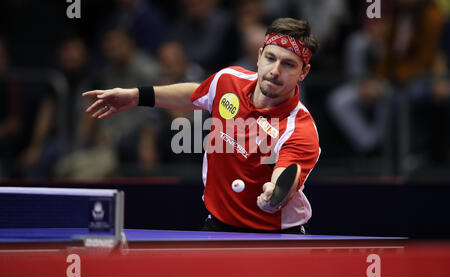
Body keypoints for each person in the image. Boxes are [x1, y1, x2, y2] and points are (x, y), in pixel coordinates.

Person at [83, 18, 320, 234]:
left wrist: (274, 192)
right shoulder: (228, 80)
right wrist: (136, 96)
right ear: (259, 57)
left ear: (303, 72)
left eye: (288, 64)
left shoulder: (299, 128)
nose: (275, 71)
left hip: (276, 235)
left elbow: (286, 177)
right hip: (217, 224)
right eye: (270, 58)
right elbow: (196, 95)